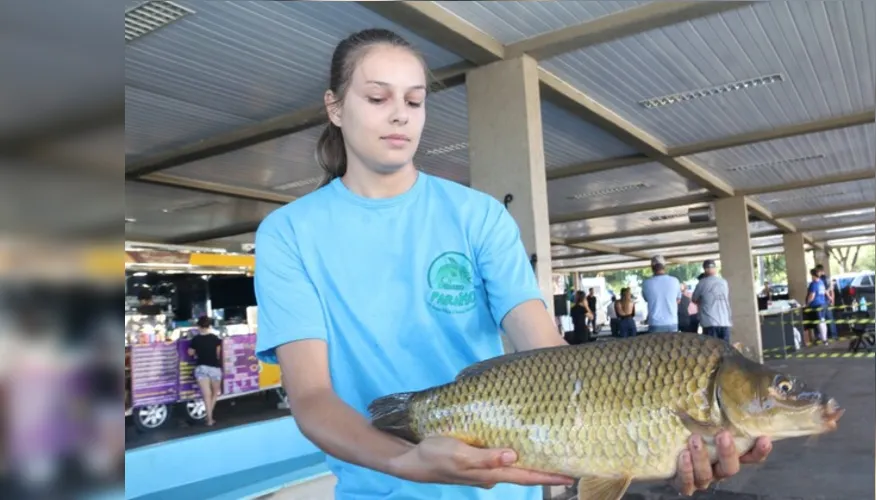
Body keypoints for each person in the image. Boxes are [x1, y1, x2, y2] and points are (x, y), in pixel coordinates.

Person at [252, 28, 771, 500]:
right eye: (377, 97)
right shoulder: (290, 234)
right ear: (335, 107)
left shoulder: (477, 215)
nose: (400, 114)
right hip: (379, 489)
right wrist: (408, 461)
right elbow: (313, 398)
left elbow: (548, 354)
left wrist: (644, 440)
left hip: (503, 482)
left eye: (415, 100)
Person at [188, 316, 223, 426]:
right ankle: (209, 417)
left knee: (206, 395)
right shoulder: (215, 338)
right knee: (214, 393)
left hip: (201, 368)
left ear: (199, 326)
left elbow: (190, 353)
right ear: (209, 326)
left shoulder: (195, 339)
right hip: (214, 368)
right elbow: (218, 354)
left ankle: (209, 419)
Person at [691, 260, 733, 343]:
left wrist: (702, 301)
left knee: (712, 352)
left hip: (709, 322)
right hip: (725, 322)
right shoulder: (723, 282)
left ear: (705, 269)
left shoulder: (702, 283)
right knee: (726, 351)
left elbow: (694, 299)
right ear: (715, 269)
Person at [641, 255, 682, 333]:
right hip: (672, 322)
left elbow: (646, 299)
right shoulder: (675, 281)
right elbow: (678, 300)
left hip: (655, 323)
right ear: (664, 266)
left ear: (652, 267)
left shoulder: (646, 283)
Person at [806, 268, 830, 346]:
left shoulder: (813, 284)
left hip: (816, 305)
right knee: (822, 321)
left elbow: (812, 296)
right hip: (823, 304)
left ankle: (824, 340)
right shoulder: (821, 282)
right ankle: (824, 338)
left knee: (820, 322)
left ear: (813, 275)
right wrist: (829, 298)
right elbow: (825, 291)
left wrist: (807, 303)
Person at [813, 264, 838, 340]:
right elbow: (832, 290)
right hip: (828, 301)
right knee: (830, 319)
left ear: (819, 271)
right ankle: (834, 336)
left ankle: (822, 336)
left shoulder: (819, 280)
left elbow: (822, 291)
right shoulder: (829, 278)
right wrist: (832, 300)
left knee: (821, 320)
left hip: (822, 301)